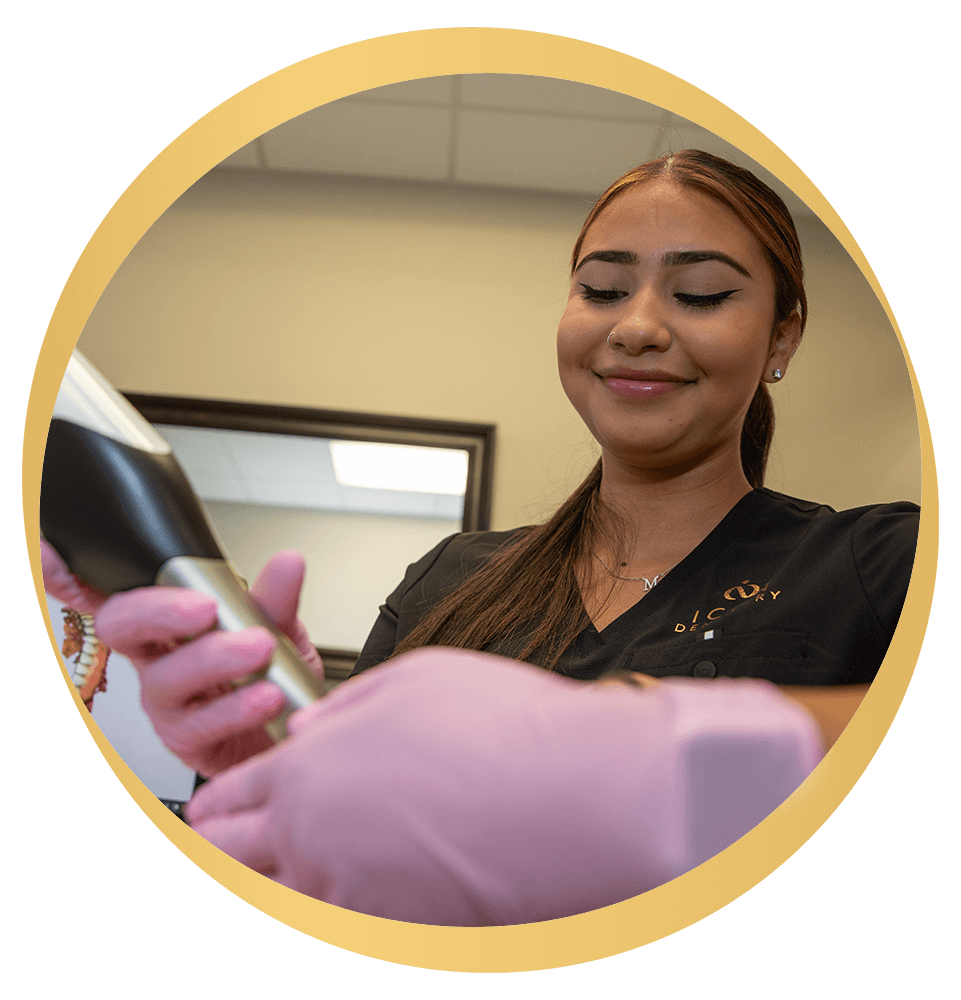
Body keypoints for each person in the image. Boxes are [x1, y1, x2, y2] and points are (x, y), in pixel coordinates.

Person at [39, 149, 919, 923]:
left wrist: (650, 772)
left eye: (700, 294)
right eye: (601, 289)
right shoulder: (453, 576)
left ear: (783, 334)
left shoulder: (876, 565)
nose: (636, 325)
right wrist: (264, 747)